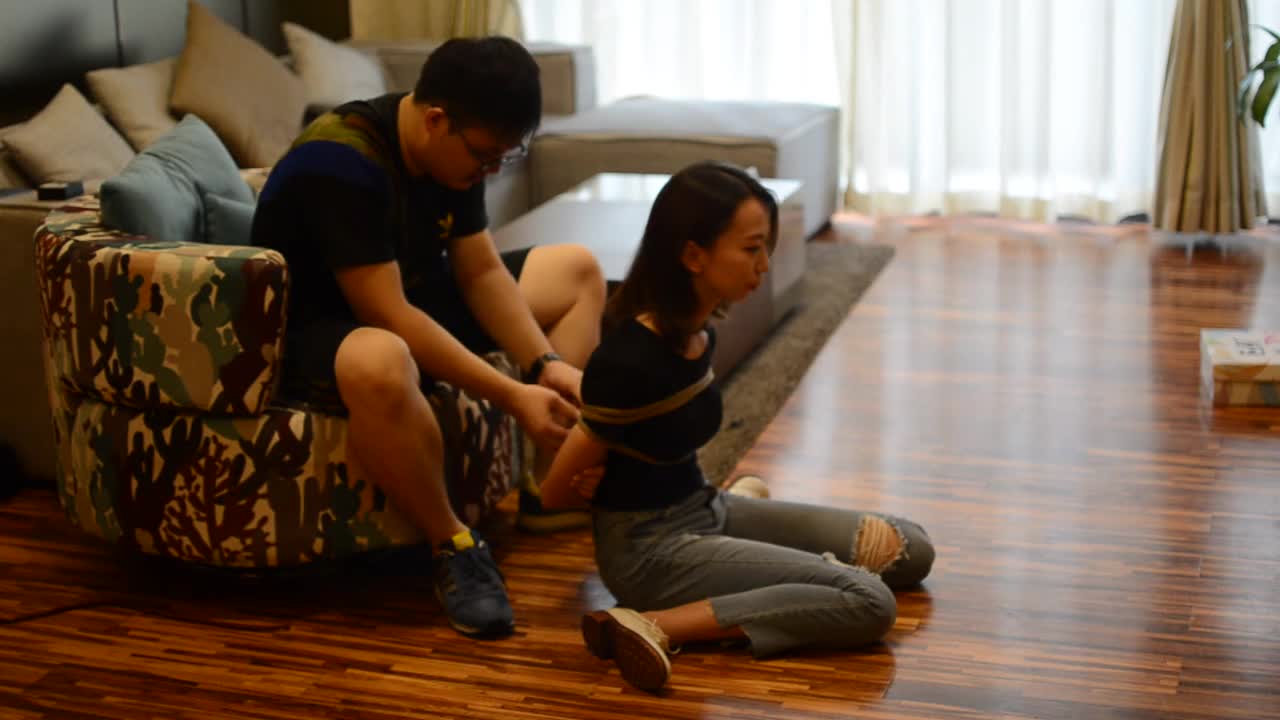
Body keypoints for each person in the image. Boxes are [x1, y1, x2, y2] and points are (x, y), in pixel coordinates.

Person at [251, 37, 606, 638]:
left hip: (409, 294)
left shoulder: (453, 146)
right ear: (437, 120)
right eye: (485, 157)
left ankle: (551, 491)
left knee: (576, 270)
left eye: (504, 158)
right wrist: (512, 394)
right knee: (382, 357)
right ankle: (453, 545)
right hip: (314, 326)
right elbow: (389, 315)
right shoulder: (341, 164)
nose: (490, 171)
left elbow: (480, 270)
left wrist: (542, 363)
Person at [539, 162, 935, 691]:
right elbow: (552, 492)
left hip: (707, 508)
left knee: (908, 548)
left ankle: (747, 539)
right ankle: (647, 623)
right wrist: (600, 484)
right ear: (693, 255)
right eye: (752, 249)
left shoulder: (700, 332)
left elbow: (659, 435)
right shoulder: (630, 361)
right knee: (869, 602)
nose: (764, 265)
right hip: (650, 554)